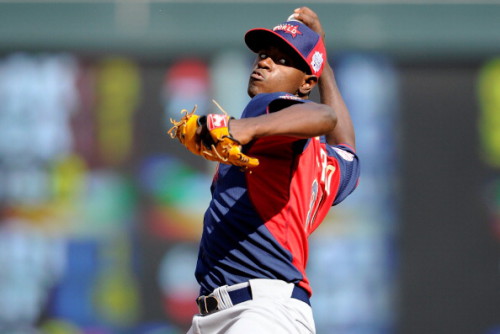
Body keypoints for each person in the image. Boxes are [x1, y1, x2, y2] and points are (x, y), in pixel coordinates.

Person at [186, 7, 360, 334]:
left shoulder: (266, 110)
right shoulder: (321, 161)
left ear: (306, 83)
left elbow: (325, 118)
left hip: (258, 314)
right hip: (245, 312)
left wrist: (247, 128)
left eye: (281, 60)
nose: (265, 62)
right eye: (264, 54)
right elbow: (348, 150)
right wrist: (323, 63)